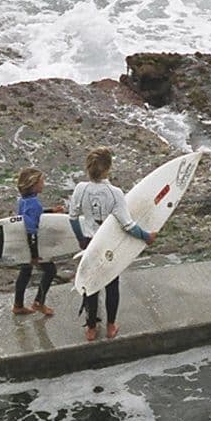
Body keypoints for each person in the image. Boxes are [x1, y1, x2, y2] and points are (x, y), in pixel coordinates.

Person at [67, 146, 153, 342]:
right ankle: (111, 325)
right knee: (111, 284)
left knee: (90, 284)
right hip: (109, 245)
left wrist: (81, 239)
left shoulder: (81, 189)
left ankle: (90, 328)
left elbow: (72, 218)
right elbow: (128, 225)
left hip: (89, 242)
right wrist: (147, 236)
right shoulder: (115, 193)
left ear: (88, 168)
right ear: (108, 169)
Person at [11, 167, 59, 317]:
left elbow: (32, 215)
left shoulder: (23, 201)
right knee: (50, 271)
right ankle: (39, 302)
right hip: (32, 245)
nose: (44, 184)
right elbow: (32, 230)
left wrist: (51, 211)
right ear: (33, 185)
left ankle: (18, 305)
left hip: (22, 243)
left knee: (25, 272)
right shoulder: (35, 204)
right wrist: (34, 255)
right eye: (41, 181)